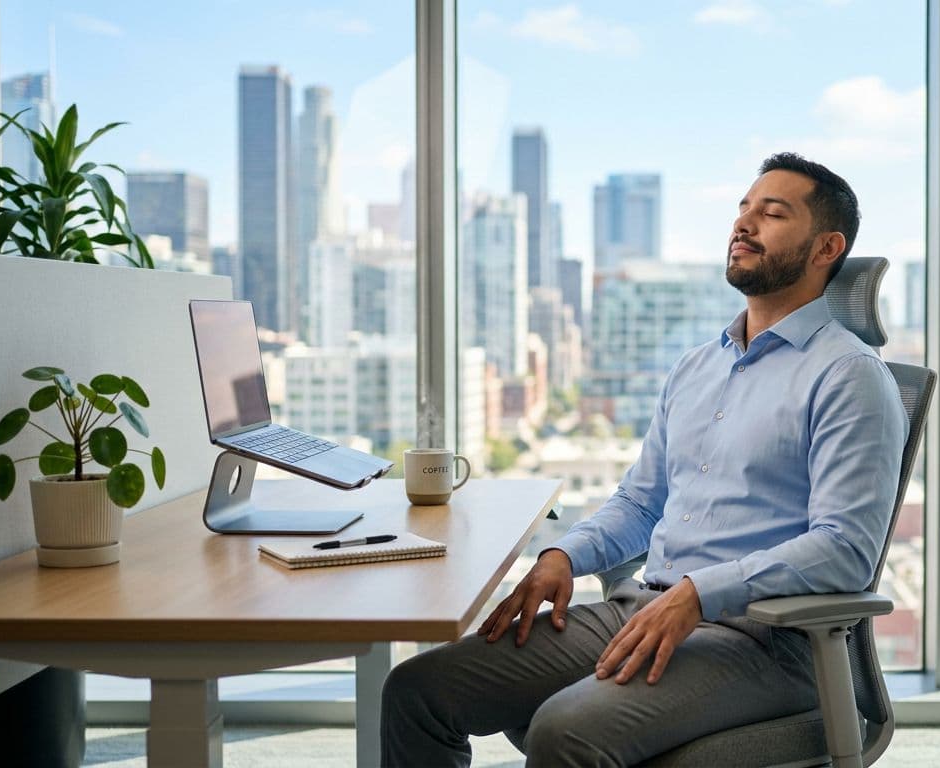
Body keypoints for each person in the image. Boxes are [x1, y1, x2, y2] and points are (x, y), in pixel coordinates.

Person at [381, 152, 908, 767]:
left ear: (826, 248)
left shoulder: (849, 376)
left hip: (770, 644)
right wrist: (564, 555)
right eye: (743, 209)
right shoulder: (698, 366)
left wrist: (699, 594)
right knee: (419, 691)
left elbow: (845, 549)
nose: (744, 224)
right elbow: (641, 502)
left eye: (772, 213)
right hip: (646, 609)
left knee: (562, 732)